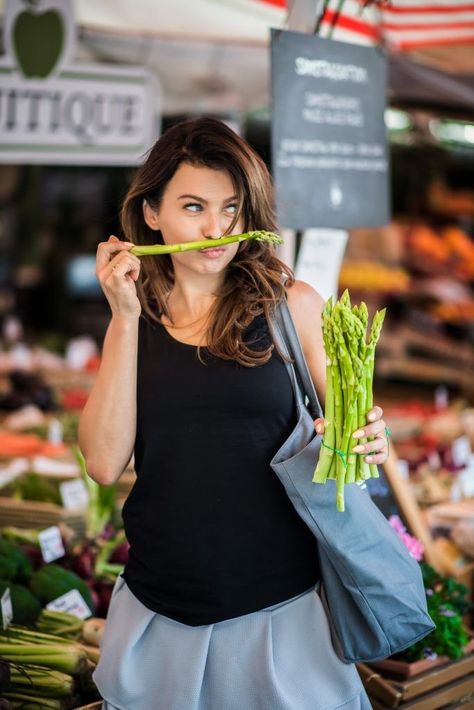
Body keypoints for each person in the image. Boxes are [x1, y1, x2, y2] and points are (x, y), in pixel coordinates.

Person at [79, 117, 388, 710]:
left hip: (284, 612)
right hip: (160, 609)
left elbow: (359, 433)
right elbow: (102, 461)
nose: (217, 229)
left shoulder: (293, 308)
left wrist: (370, 439)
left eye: (232, 209)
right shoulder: (131, 319)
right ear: (151, 214)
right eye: (193, 206)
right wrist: (121, 316)